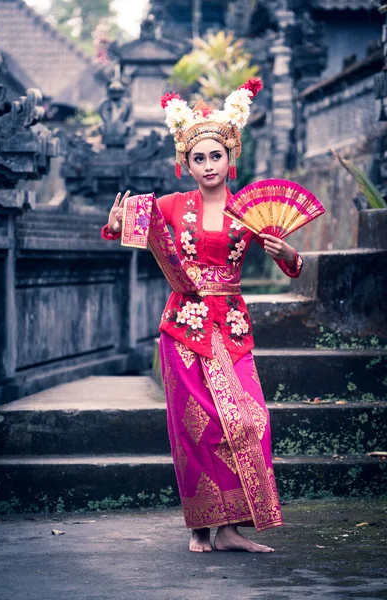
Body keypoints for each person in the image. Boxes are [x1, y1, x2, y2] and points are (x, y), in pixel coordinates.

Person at [101, 79, 303, 553]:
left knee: (251, 419)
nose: (208, 165)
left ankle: (231, 529)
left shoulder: (250, 209)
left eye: (216, 156)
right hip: (184, 327)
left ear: (231, 158)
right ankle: (200, 528)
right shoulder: (172, 206)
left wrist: (289, 252)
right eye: (199, 158)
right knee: (197, 426)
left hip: (230, 328)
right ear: (185, 165)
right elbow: (126, 227)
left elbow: (291, 267)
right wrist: (114, 225)